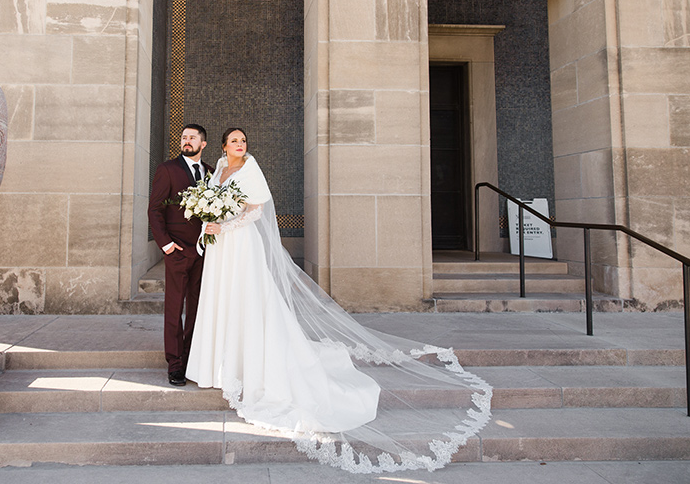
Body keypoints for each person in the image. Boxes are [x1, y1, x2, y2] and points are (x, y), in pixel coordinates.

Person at [185, 128, 493, 473]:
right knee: (220, 302)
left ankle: (247, 363)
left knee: (247, 302)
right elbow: (212, 202)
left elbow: (255, 211)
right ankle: (217, 363)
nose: (240, 145)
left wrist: (224, 226)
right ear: (224, 146)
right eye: (234, 141)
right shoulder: (218, 171)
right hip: (220, 249)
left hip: (240, 245)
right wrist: (210, 219)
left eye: (243, 141)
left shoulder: (250, 169)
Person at [148, 124, 214, 386]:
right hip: (176, 250)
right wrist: (165, 244)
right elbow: (155, 210)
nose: (187, 141)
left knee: (197, 307)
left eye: (192, 138)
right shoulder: (167, 169)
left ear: (203, 143)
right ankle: (174, 363)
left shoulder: (211, 173)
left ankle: (191, 359)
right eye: (184, 137)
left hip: (204, 251)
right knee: (175, 308)